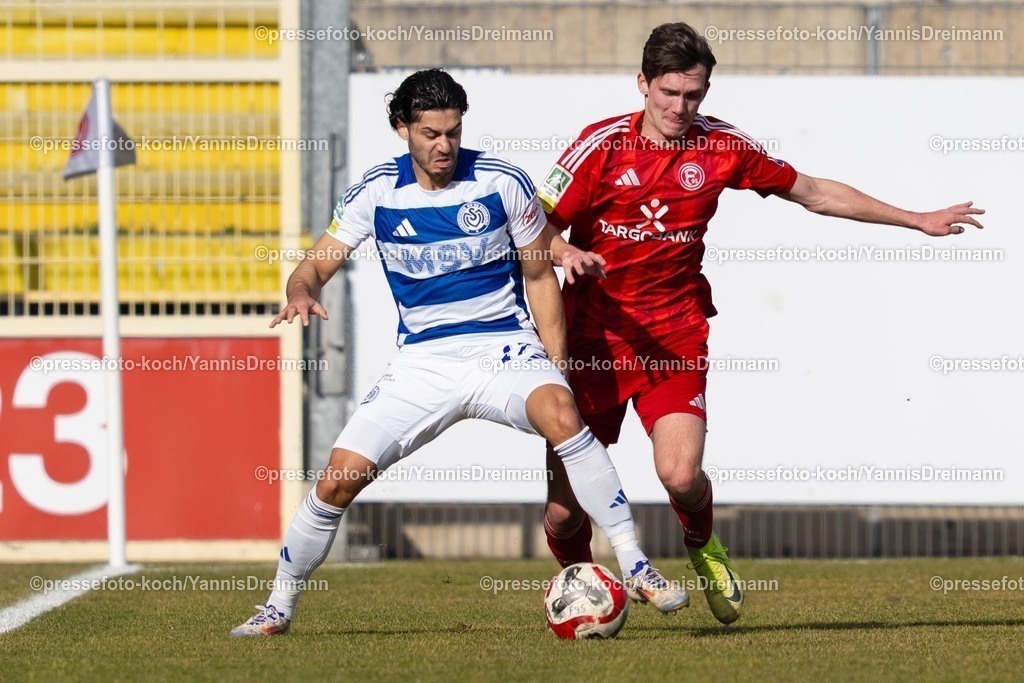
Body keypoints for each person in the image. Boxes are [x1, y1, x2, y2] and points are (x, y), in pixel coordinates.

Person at [538, 22, 985, 625]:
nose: (680, 108)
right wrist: (564, 252)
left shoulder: (722, 146)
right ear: (642, 84)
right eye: (669, 93)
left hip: (674, 335)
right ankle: (579, 587)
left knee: (680, 472)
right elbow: (534, 224)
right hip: (591, 340)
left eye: (694, 95)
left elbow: (815, 192)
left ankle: (704, 547)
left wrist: (915, 218)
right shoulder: (599, 148)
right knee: (565, 514)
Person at [232, 69, 688, 637]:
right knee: (336, 480)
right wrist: (301, 291)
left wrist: (555, 363)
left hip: (504, 348)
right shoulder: (374, 192)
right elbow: (315, 265)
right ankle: (277, 606)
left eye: (452, 131)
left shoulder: (501, 181)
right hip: (422, 362)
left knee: (564, 415)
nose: (443, 144)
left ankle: (636, 563)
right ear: (402, 128)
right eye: (429, 133)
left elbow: (539, 274)